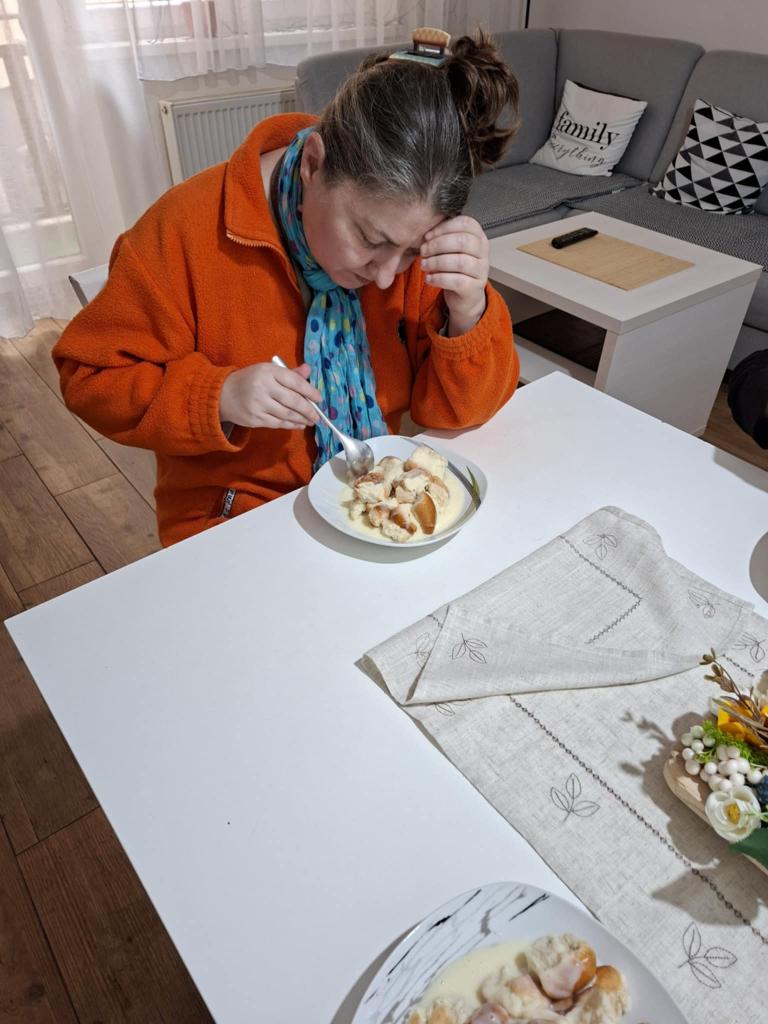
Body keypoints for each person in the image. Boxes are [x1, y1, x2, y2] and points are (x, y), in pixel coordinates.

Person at [53, 30, 521, 547]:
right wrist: (219, 396)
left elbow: (460, 413)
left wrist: (468, 310)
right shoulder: (181, 231)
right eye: (370, 240)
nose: (388, 275)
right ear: (314, 164)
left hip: (372, 506)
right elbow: (90, 378)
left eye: (410, 251)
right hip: (233, 523)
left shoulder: (412, 247)